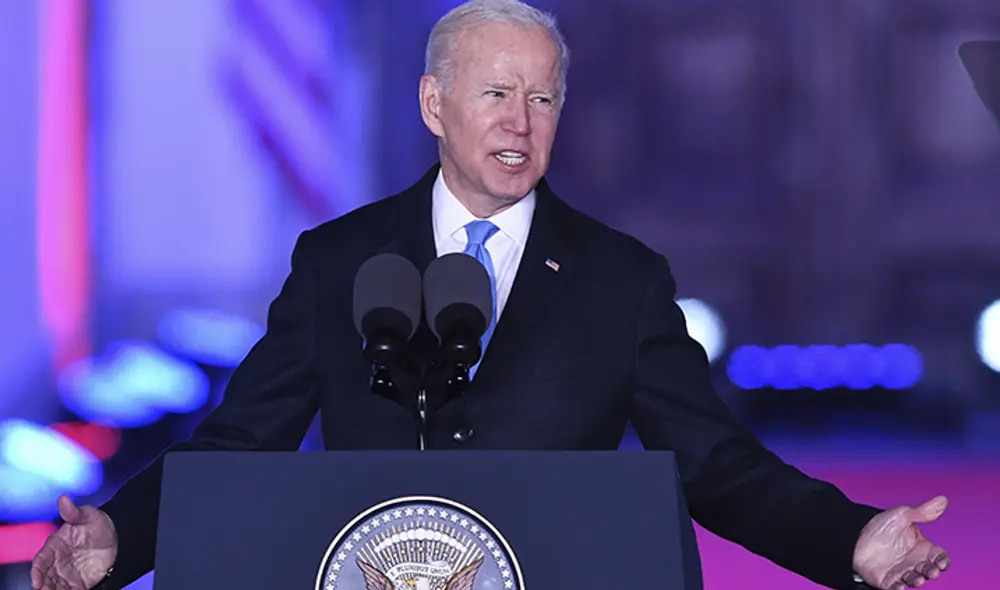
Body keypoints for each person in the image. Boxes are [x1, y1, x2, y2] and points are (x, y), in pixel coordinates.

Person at [31, 1, 951, 589]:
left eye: (544, 99)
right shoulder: (340, 259)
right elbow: (238, 443)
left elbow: (716, 465)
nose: (521, 122)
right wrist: (117, 538)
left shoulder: (620, 277)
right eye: (497, 93)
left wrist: (853, 540)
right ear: (435, 104)